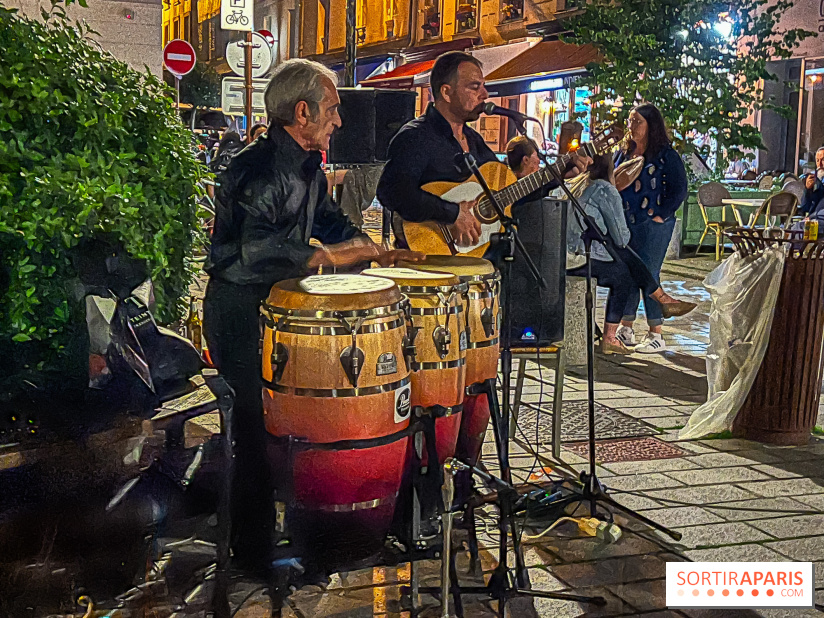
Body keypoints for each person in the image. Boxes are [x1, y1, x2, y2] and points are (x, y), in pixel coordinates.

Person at [203, 59, 416, 571]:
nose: (339, 120)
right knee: (257, 426)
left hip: (279, 310)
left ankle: (310, 527)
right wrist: (325, 257)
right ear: (302, 112)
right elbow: (255, 251)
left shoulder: (307, 165)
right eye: (332, 109)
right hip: (239, 312)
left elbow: (329, 221)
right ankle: (251, 553)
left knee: (296, 424)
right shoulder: (254, 168)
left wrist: (372, 250)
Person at [566, 153, 696, 354]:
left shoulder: (578, 185)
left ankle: (656, 304)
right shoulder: (604, 190)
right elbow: (621, 237)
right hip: (581, 257)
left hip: (567, 255)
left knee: (625, 259)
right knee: (624, 273)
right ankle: (618, 331)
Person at [376, 51, 494, 248]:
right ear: (446, 92)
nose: (485, 94)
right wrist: (452, 214)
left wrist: (553, 175)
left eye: (483, 86)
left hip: (471, 256)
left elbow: (503, 186)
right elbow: (392, 191)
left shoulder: (474, 140)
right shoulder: (416, 136)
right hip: (426, 257)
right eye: (475, 87)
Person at [613, 103, 688, 354]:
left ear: (650, 125)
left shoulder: (666, 155)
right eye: (630, 121)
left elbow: (680, 189)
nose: (631, 127)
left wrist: (660, 215)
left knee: (649, 271)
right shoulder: (625, 153)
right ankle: (626, 325)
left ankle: (656, 332)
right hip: (627, 221)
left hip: (654, 222)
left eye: (637, 122)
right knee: (631, 271)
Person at [800, 146, 824, 216]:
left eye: (823, 160)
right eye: (817, 160)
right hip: (815, 218)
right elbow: (805, 207)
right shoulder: (812, 179)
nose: (820, 164)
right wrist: (808, 190)